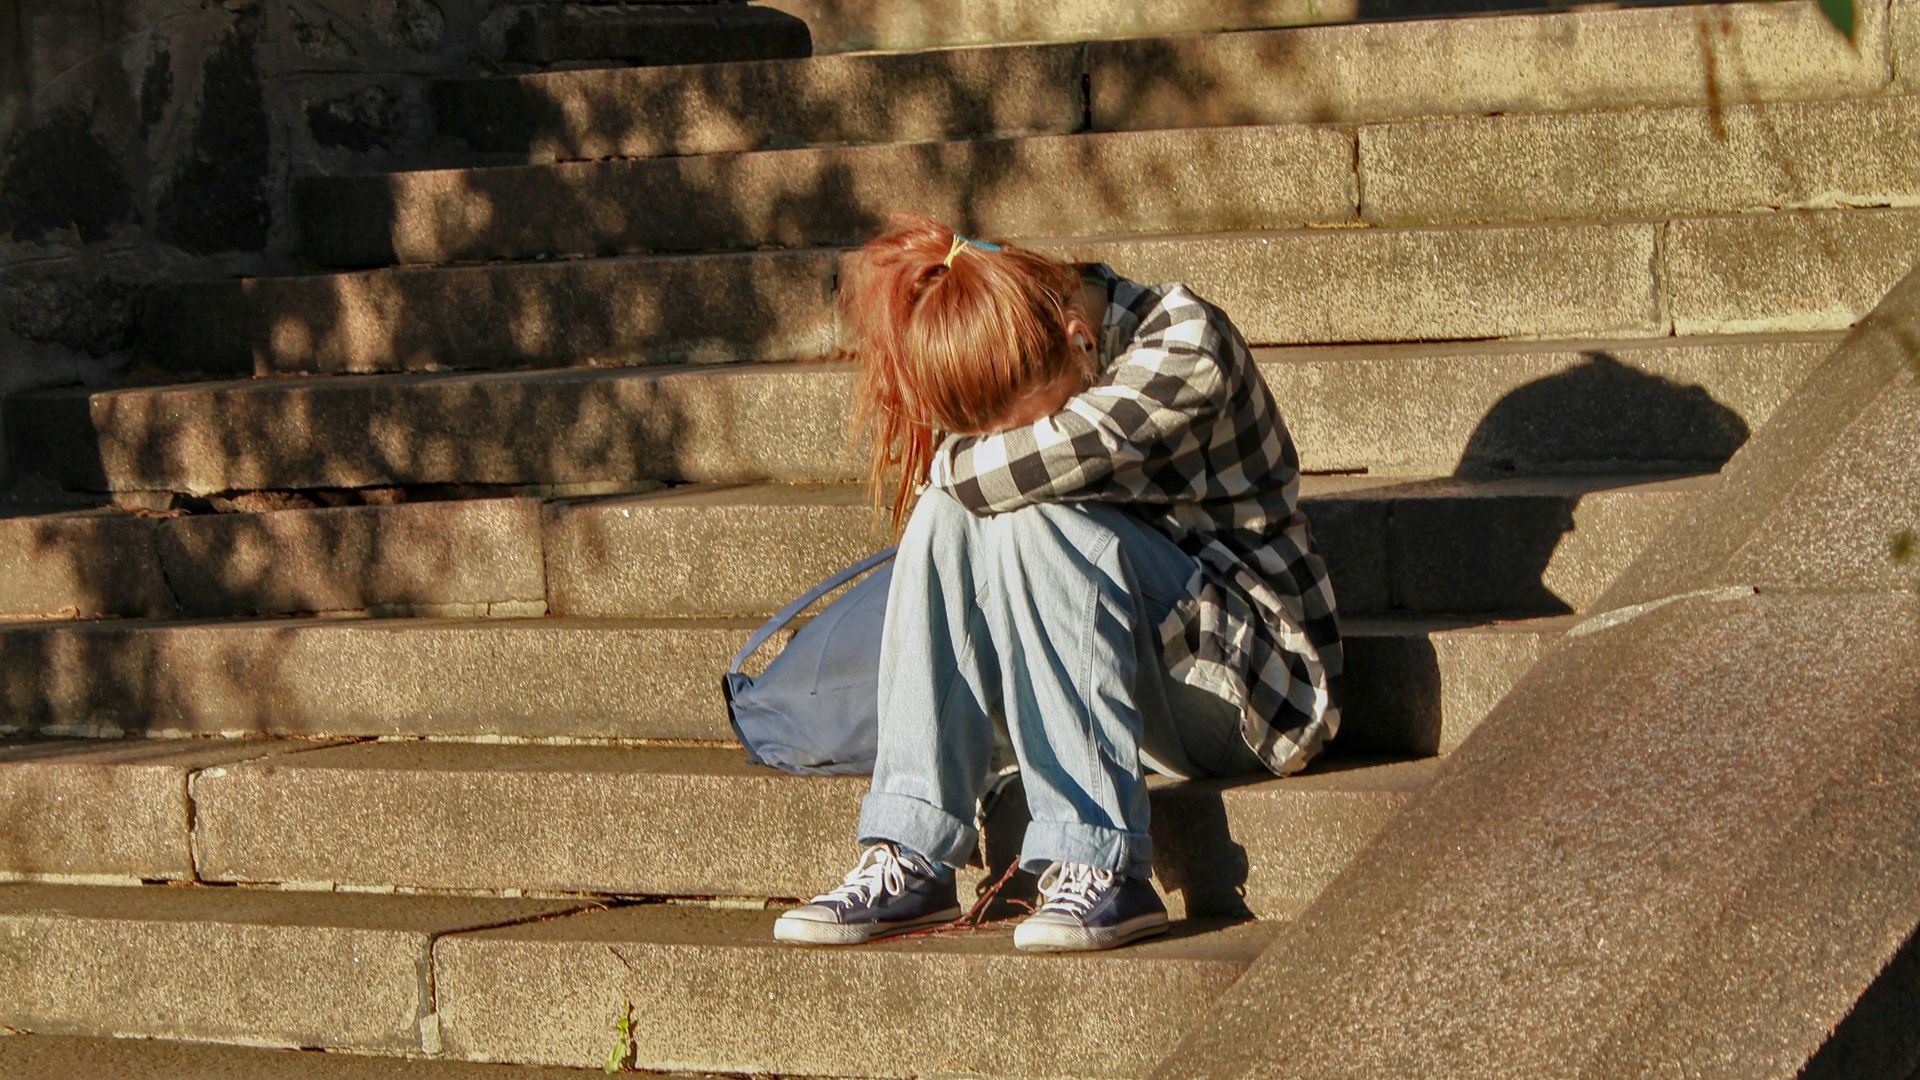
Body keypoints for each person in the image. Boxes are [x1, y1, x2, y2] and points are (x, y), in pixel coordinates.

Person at [772, 217, 1342, 952]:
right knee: (960, 515)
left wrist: (953, 465)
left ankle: (1100, 864)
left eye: (1027, 422)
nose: (1008, 441)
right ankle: (911, 846)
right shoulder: (1043, 346)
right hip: (1134, 681)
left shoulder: (1183, 343)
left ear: (1080, 337)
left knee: (1019, 510)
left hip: (1255, 688)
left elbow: (997, 472)